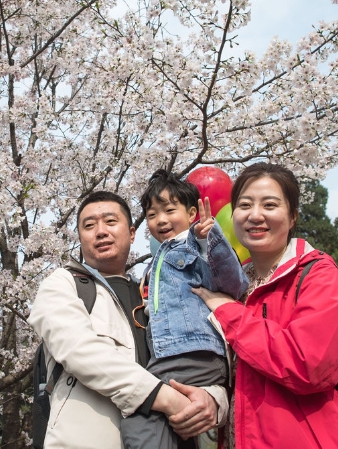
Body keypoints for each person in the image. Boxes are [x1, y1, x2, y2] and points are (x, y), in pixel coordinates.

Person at [171, 162, 338, 448]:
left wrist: (230, 313)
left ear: (293, 216)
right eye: (244, 205)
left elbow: (308, 366)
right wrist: (213, 398)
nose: (255, 215)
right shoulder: (233, 285)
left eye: (270, 205)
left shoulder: (318, 274)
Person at [28, 190, 220, 449]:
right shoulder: (62, 284)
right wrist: (166, 399)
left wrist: (214, 399)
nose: (100, 232)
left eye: (110, 221)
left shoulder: (158, 293)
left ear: (131, 234)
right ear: (80, 239)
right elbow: (78, 350)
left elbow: (205, 348)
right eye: (89, 226)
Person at [121, 170, 248, 449]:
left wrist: (209, 240)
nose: (161, 220)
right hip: (169, 356)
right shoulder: (157, 259)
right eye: (152, 214)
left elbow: (234, 282)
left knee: (139, 419)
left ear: (192, 214)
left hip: (191, 354)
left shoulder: (195, 246)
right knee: (166, 427)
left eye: (169, 210)